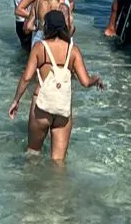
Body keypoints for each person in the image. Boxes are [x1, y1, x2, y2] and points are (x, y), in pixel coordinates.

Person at [9, 11, 105, 162]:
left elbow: (26, 77)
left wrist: (16, 101)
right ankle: (58, 186)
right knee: (58, 163)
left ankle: (31, 185)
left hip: (41, 107)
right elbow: (85, 82)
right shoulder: (73, 50)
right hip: (62, 109)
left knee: (33, 154)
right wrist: (96, 79)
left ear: (46, 27)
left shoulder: (40, 48)